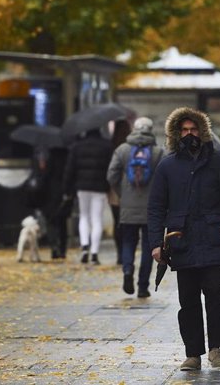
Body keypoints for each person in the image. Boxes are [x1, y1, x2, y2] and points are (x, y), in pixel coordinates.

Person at [148, 107, 220, 371]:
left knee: (216, 295)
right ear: (176, 133)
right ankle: (193, 353)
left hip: (215, 239)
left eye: (193, 129)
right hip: (182, 242)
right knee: (188, 301)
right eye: (184, 130)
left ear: (202, 132)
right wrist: (155, 243)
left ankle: (216, 350)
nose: (189, 134)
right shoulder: (167, 166)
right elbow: (156, 206)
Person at [107, 117, 164, 298]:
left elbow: (111, 175)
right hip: (151, 210)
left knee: (128, 242)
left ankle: (127, 271)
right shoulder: (158, 152)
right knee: (149, 247)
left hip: (127, 207)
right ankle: (142, 286)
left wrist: (122, 193)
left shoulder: (122, 150)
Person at [63, 128, 114, 264]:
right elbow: (111, 168)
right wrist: (109, 186)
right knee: (97, 219)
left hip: (82, 187)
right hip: (99, 188)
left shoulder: (77, 146)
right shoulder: (107, 146)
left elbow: (70, 169)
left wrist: (67, 188)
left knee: (84, 216)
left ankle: (85, 246)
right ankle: (94, 253)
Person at [109, 119, 132, 264]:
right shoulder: (131, 147)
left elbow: (110, 172)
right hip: (130, 190)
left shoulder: (111, 147)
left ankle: (119, 254)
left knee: (117, 222)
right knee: (127, 224)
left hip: (114, 191)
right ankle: (126, 252)